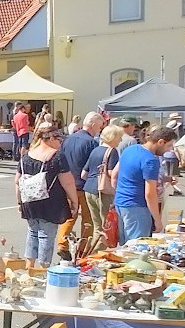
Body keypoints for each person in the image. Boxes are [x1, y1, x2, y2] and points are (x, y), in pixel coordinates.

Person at [16, 122, 78, 269]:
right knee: (46, 235)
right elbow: (68, 182)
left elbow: (17, 181)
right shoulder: (56, 157)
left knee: (32, 232)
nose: (60, 142)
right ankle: (44, 269)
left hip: (29, 200)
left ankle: (29, 267)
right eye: (59, 139)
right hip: (50, 202)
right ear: (50, 138)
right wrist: (74, 201)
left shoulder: (26, 156)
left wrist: (19, 202)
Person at [111, 126, 178, 241]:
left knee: (125, 246)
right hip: (137, 207)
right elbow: (150, 194)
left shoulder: (131, 149)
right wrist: (157, 220)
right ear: (160, 142)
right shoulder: (151, 160)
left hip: (121, 203)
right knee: (137, 248)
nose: (169, 150)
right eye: (169, 146)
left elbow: (115, 174)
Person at [56, 112, 103, 258]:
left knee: (70, 215)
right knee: (88, 219)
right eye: (100, 126)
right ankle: (83, 247)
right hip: (84, 184)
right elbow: (93, 164)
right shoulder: (92, 142)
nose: (100, 129)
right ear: (93, 124)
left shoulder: (67, 139)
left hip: (68, 182)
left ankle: (62, 243)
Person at [80, 123, 124, 231]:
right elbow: (111, 173)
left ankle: (95, 247)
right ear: (113, 137)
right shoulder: (112, 151)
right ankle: (101, 247)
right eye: (119, 137)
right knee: (106, 226)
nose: (121, 140)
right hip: (103, 191)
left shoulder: (96, 150)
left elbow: (84, 174)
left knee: (97, 227)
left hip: (89, 188)